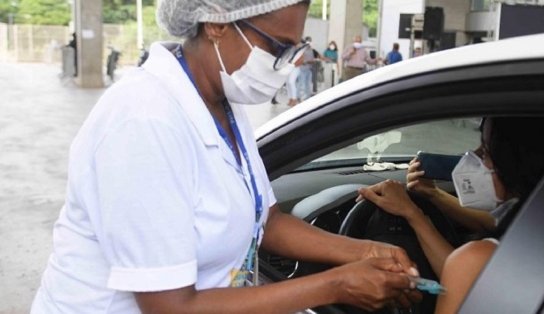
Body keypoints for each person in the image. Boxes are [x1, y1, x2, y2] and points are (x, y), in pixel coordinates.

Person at [31, 1, 421, 313]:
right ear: (217, 23)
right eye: (279, 47)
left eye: (295, 49)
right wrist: (336, 284)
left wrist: (365, 251)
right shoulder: (144, 122)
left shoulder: (220, 101)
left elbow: (265, 220)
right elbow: (169, 306)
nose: (289, 63)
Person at [357, 117, 544, 313]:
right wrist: (432, 195)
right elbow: (490, 223)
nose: (474, 156)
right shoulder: (531, 221)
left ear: (514, 163)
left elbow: (464, 273)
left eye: (485, 152)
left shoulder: (475, 260)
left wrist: (411, 213)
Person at [298, 36, 316, 101]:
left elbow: (312, 58)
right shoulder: (302, 49)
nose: (309, 42)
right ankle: (300, 97)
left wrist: (313, 61)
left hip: (309, 69)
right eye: (308, 41)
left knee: (308, 83)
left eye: (310, 41)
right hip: (302, 69)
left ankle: (308, 98)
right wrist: (307, 61)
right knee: (302, 83)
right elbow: (299, 59)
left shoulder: (311, 50)